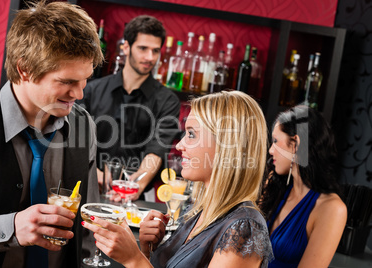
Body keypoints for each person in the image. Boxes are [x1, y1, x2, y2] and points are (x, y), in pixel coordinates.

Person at [0, 2, 102, 267]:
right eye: (67, 82)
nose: (79, 94)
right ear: (24, 69)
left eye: (85, 79)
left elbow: (87, 225)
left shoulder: (83, 124)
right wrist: (10, 227)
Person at [82, 91, 275, 267]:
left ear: (226, 146)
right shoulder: (198, 212)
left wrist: (134, 259)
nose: (180, 145)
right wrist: (147, 250)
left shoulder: (244, 229)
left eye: (191, 134)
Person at [78, 15, 180, 201]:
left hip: (136, 194)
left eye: (155, 51)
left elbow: (157, 149)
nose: (150, 57)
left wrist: (135, 185)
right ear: (126, 47)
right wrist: (98, 176)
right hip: (88, 184)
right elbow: (78, 141)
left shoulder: (168, 101)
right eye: (143, 48)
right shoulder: (91, 90)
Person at [259, 105, 347, 267]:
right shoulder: (274, 186)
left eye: (276, 141)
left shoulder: (332, 209)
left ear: (296, 145)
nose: (271, 150)